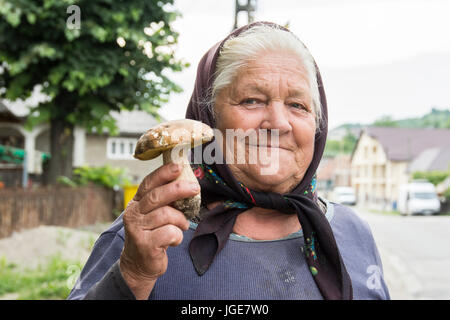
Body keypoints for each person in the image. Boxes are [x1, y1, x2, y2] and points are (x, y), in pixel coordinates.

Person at [68, 22, 390, 300]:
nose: (278, 123)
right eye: (252, 100)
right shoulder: (145, 236)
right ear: (209, 118)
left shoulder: (352, 232)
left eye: (297, 105)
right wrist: (134, 275)